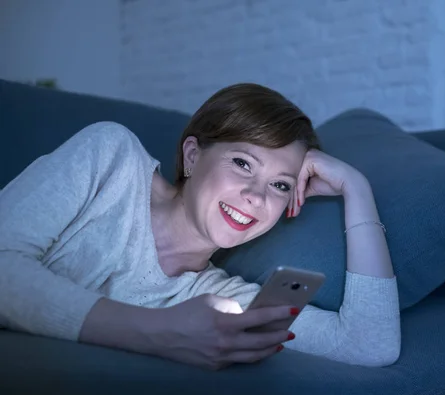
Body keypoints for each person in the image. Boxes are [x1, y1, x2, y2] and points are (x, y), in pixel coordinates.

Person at [0, 83, 400, 371]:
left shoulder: (217, 299)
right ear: (192, 156)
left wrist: (356, 190)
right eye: (243, 163)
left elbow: (368, 345)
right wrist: (160, 333)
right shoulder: (112, 157)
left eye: (281, 185)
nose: (257, 197)